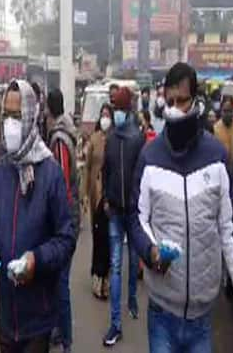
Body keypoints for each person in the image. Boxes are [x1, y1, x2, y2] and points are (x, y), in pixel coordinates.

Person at [126, 62, 233, 352]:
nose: (173, 109)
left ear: (195, 101)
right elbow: (136, 218)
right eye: (169, 102)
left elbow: (230, 232)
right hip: (161, 314)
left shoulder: (216, 158)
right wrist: (152, 251)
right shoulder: (150, 157)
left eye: (181, 101)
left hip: (201, 319)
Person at [0, 80, 77, 353]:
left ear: (32, 117)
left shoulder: (50, 173)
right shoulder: (0, 171)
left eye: (17, 115)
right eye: (6, 115)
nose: (10, 123)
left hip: (38, 320)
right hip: (7, 320)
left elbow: (66, 238)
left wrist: (37, 259)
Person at [102, 86, 146, 347]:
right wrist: (107, 199)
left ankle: (132, 297)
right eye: (113, 109)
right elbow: (106, 172)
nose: (115, 114)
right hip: (116, 212)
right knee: (116, 264)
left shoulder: (138, 139)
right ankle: (116, 324)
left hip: (132, 211)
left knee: (132, 260)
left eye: (118, 109)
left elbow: (143, 175)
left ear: (127, 110)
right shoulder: (110, 138)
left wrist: (140, 205)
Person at [45, 88, 79, 353]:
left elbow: (63, 183)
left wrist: (61, 223)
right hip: (68, 216)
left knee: (62, 283)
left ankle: (66, 340)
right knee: (57, 280)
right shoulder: (66, 131)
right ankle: (58, 330)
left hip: (66, 219)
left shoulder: (58, 139)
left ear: (48, 109)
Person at [86, 103, 113, 300]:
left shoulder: (115, 139)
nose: (105, 118)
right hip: (96, 196)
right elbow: (87, 169)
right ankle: (97, 278)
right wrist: (85, 196)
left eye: (107, 115)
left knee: (109, 240)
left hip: (110, 197)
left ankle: (107, 279)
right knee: (98, 239)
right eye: (102, 114)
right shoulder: (93, 139)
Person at [214, 95, 233, 174]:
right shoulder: (215, 128)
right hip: (220, 170)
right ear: (221, 111)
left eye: (230, 111)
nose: (227, 114)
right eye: (225, 111)